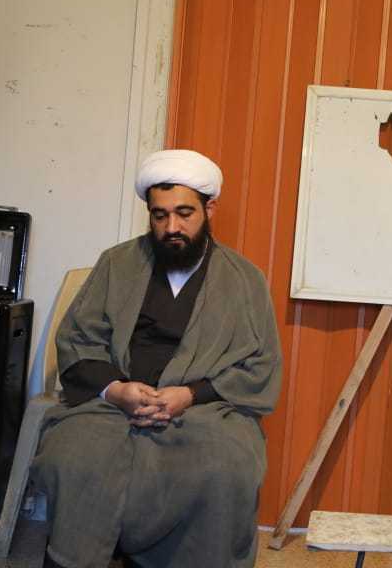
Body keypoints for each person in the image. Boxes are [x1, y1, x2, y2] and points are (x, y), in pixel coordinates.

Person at [32, 149, 282, 568]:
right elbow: (77, 340)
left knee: (224, 468)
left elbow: (260, 364)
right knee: (72, 457)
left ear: (209, 208)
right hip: (113, 404)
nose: (172, 228)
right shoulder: (117, 263)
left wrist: (188, 395)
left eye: (184, 213)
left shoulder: (245, 279)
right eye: (159, 215)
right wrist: (118, 391)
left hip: (204, 410)